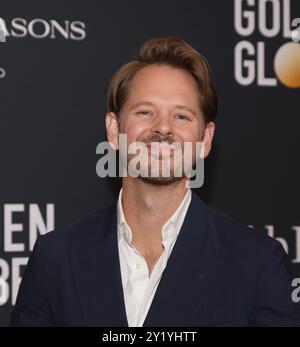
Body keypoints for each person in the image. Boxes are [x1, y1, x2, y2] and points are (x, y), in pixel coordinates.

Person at [10, 36, 299, 327]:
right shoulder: (56, 259)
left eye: (182, 116)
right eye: (145, 112)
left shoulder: (256, 263)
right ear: (114, 129)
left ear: (205, 140)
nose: (163, 128)